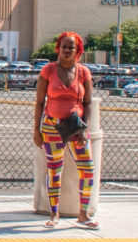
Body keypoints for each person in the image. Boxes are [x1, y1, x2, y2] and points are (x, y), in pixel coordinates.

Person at [33, 31, 98, 229]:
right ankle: (54, 214)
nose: (67, 50)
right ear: (58, 49)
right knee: (54, 170)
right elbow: (39, 102)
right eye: (64, 46)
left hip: (75, 128)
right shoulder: (48, 71)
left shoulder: (84, 72)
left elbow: (88, 103)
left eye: (72, 47)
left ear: (78, 50)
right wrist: (36, 129)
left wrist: (84, 128)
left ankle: (83, 214)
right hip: (51, 126)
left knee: (87, 169)